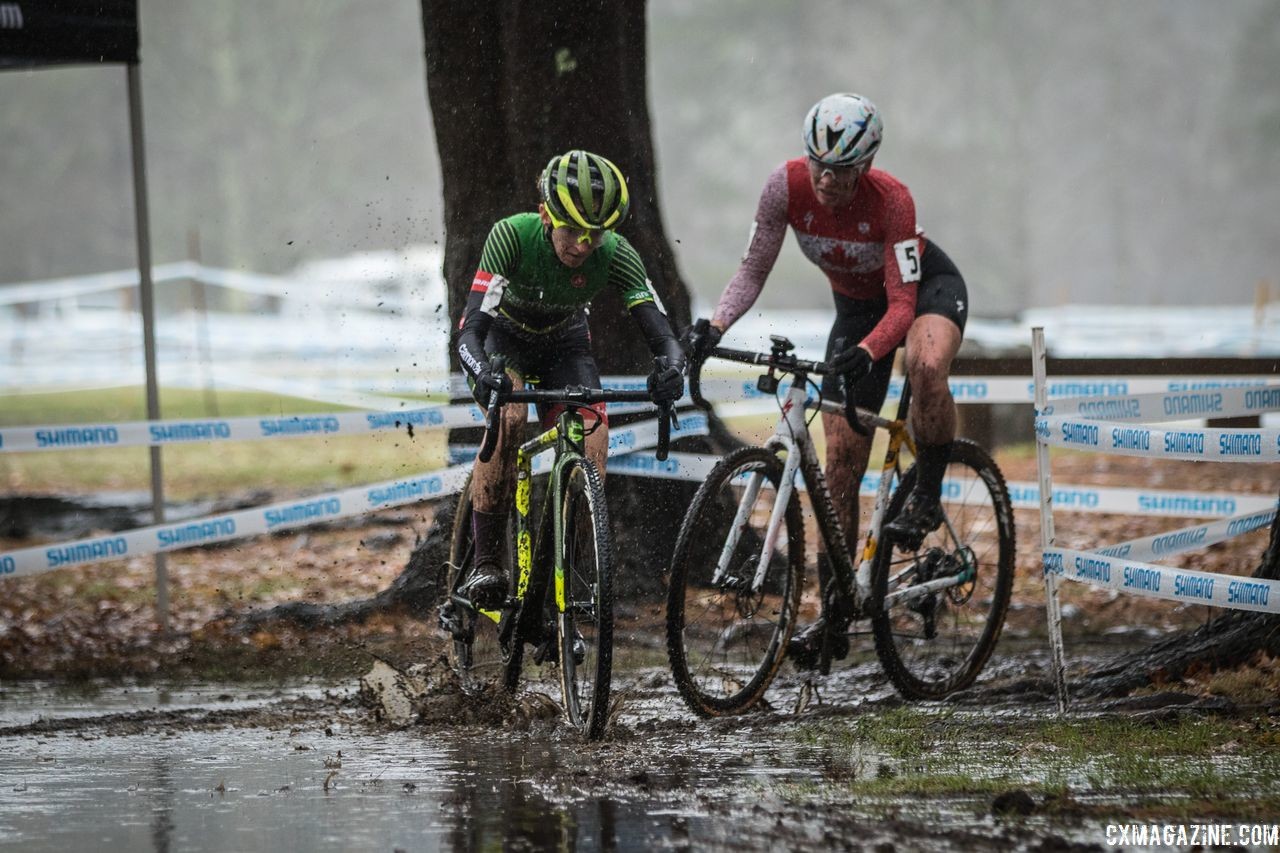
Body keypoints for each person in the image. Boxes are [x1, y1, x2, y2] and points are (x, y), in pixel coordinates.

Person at [685, 93, 969, 665]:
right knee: (838, 464)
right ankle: (835, 611)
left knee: (926, 364)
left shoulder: (892, 201)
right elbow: (753, 268)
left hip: (921, 295)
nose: (825, 178)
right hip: (858, 310)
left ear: (864, 167)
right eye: (816, 163)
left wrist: (868, 353)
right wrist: (714, 327)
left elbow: (902, 303)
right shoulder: (783, 188)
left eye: (839, 170)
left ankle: (930, 489)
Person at [455, 149, 686, 608]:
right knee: (510, 417)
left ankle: (568, 574)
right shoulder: (512, 237)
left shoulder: (616, 253)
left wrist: (672, 368)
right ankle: (485, 562)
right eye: (573, 231)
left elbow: (660, 330)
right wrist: (484, 374)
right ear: (545, 213)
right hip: (505, 343)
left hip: (565, 345)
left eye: (595, 234)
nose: (582, 245)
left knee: (594, 442)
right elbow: (470, 331)